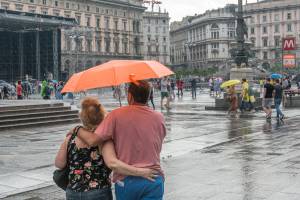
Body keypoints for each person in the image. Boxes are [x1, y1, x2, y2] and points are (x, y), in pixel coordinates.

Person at [74, 81, 166, 200]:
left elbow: (92, 140)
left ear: (129, 96)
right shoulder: (159, 118)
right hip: (154, 178)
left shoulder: (116, 115)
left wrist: (77, 129)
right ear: (148, 96)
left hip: (127, 180)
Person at [56, 97, 157, 200]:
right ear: (101, 116)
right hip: (98, 191)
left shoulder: (70, 138)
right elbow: (112, 163)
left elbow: (59, 164)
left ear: (82, 117)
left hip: (73, 192)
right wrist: (141, 172)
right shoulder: (104, 140)